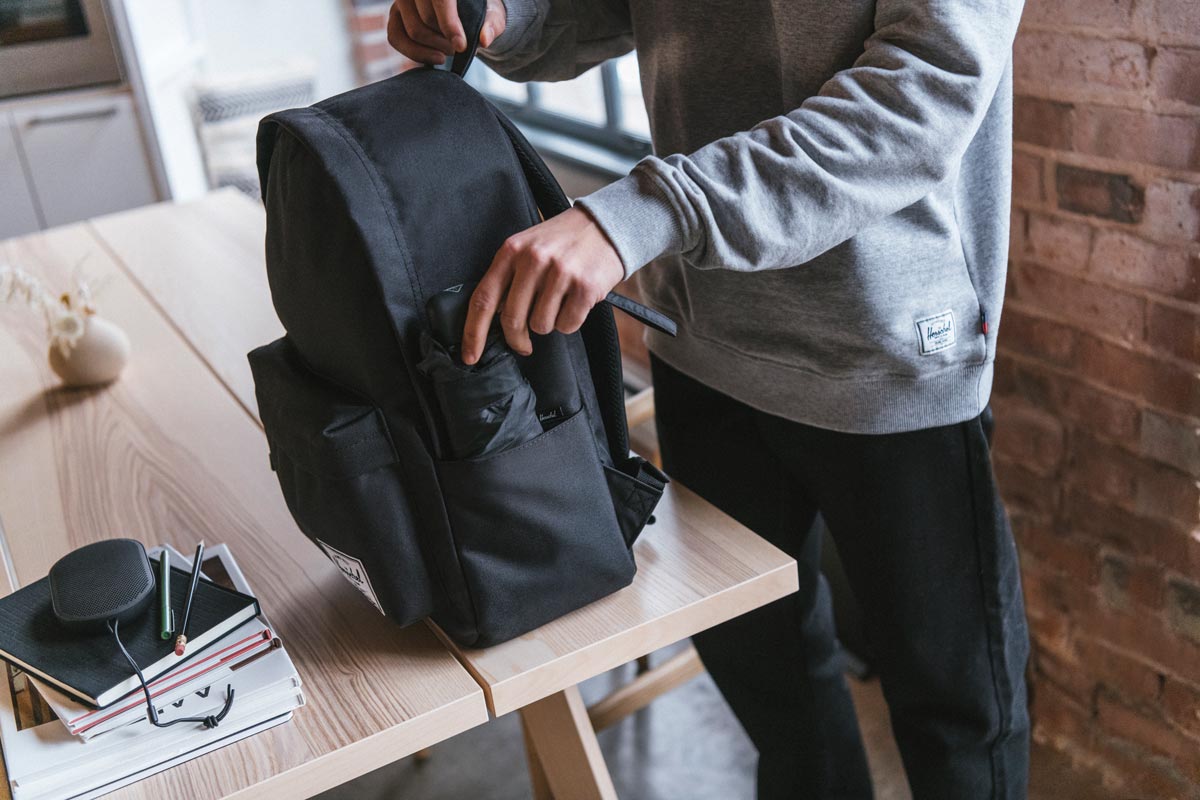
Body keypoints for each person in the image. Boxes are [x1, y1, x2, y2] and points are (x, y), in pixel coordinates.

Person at [388, 0, 1030, 797]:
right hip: (702, 336)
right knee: (772, 689)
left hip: (889, 351)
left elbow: (921, 94)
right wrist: (495, 15)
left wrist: (648, 210)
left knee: (958, 716)